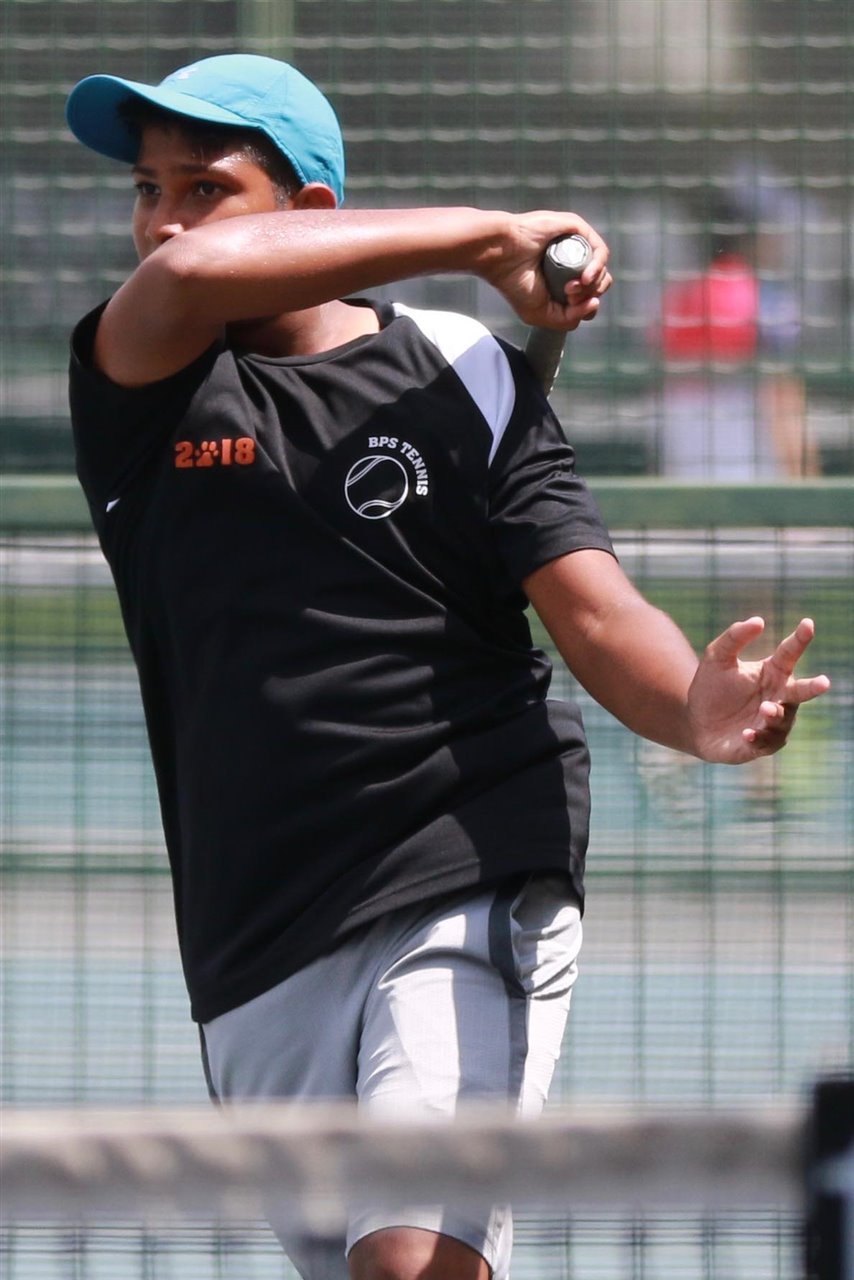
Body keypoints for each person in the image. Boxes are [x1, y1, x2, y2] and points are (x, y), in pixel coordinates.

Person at [64, 54, 830, 1280]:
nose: (162, 221)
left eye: (203, 187)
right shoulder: (140, 373)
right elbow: (191, 277)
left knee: (409, 1260)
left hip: (465, 862)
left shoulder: (462, 369)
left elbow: (591, 608)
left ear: (313, 213)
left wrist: (692, 705)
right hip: (252, 929)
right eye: (146, 189)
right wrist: (489, 235)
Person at [653, 196, 820, 479]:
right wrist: (805, 476)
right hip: (747, 454)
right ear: (750, 239)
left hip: (684, 452)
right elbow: (783, 395)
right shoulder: (764, 298)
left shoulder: (680, 295)